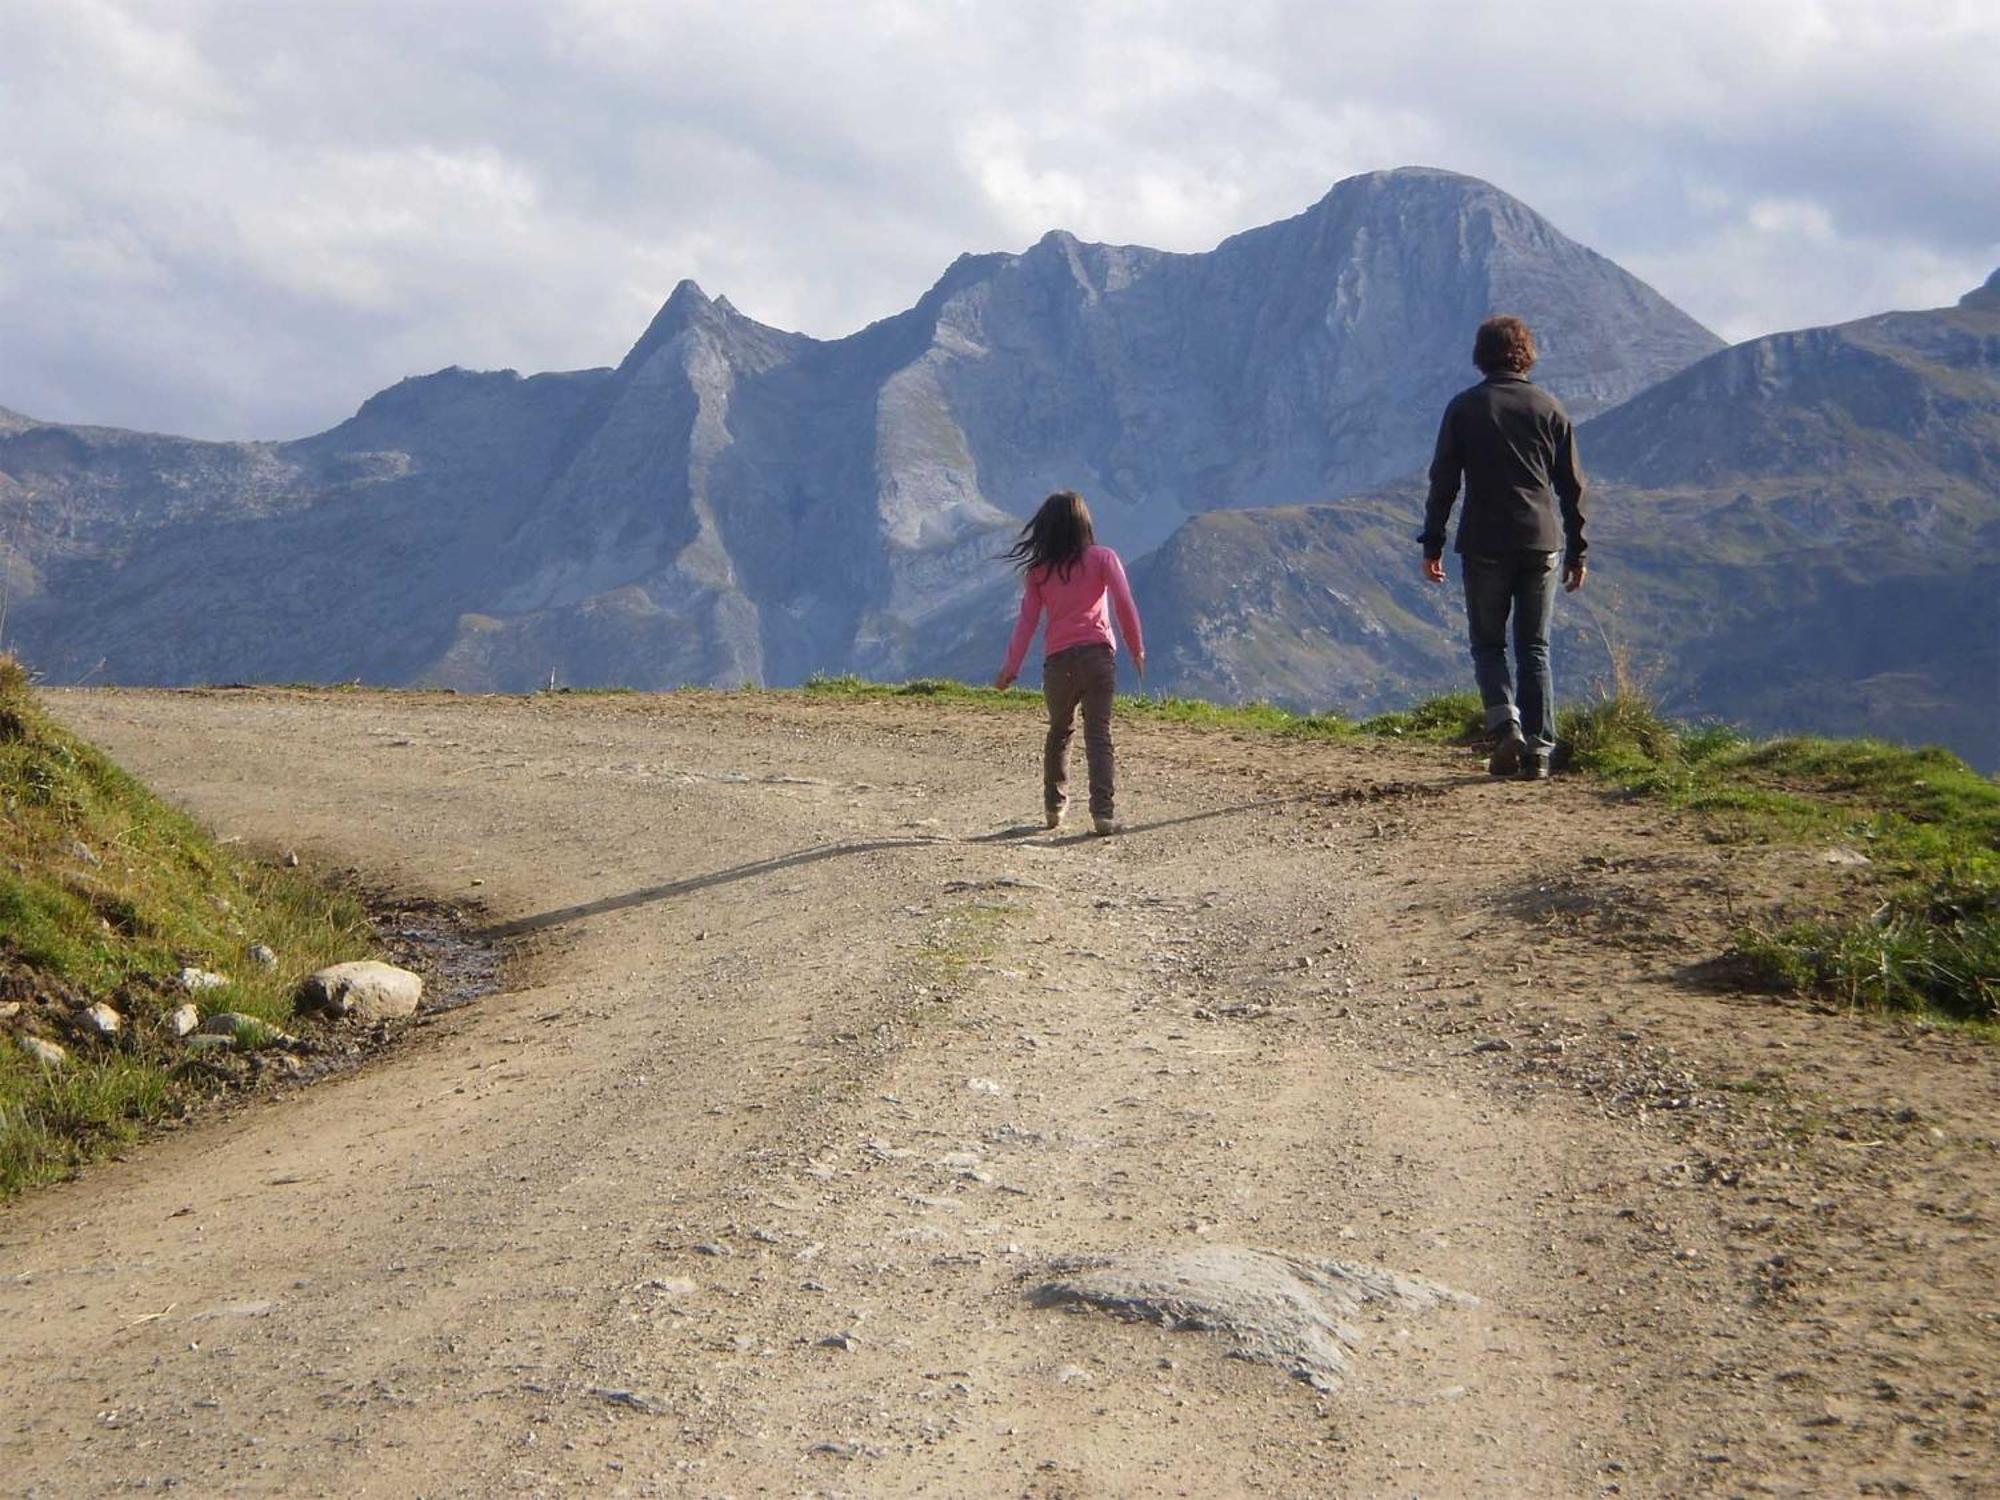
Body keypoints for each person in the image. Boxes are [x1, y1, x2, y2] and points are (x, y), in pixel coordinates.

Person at [1420, 314, 1588, 780]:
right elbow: (1573, 487)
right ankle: (1539, 750)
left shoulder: (1464, 408)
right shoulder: (1549, 408)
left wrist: (1433, 539)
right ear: (1526, 353)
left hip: (1484, 541)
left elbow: (1443, 482)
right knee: (1535, 646)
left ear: (1481, 355)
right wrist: (1579, 551)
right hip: (1541, 541)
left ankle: (1504, 725)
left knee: (1489, 644)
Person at [994, 490, 1145, 834]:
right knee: (1098, 735)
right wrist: (1136, 647)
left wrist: (1010, 669)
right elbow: (1124, 603)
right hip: (1097, 657)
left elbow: (1027, 623)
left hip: (1058, 662)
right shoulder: (1104, 559)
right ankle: (1103, 813)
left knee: (1060, 732)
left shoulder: (1038, 573)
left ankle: (1054, 808)